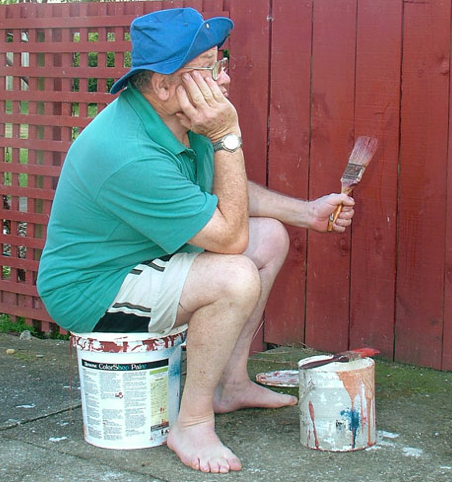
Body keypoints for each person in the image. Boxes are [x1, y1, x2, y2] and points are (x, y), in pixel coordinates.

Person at [37, 7, 355, 474]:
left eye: (221, 63)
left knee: (270, 237)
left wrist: (306, 213)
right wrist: (228, 136)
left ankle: (230, 384)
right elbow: (229, 236)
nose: (223, 79)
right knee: (233, 276)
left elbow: (220, 195)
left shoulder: (179, 117)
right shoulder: (128, 152)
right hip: (93, 289)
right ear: (163, 85)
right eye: (208, 68)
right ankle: (191, 423)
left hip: (145, 259)